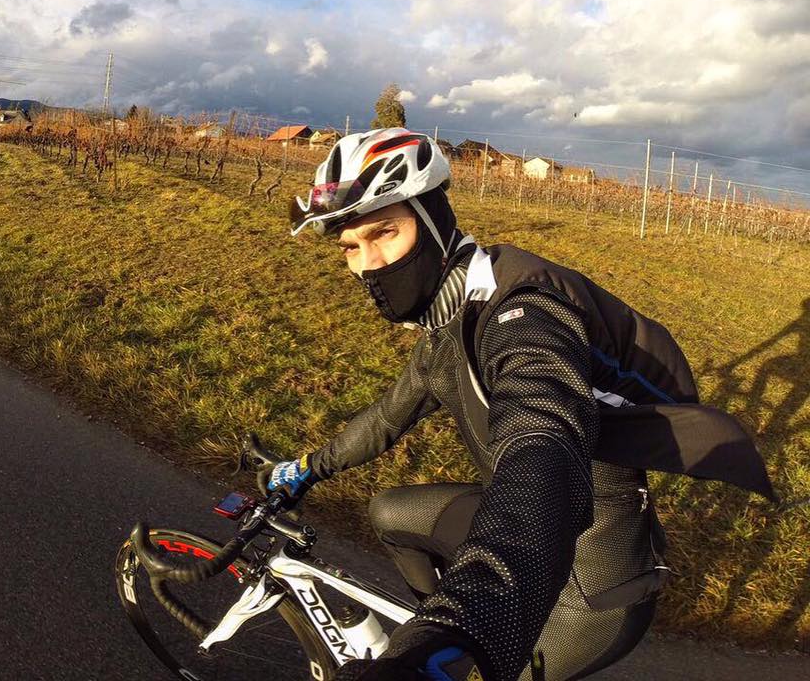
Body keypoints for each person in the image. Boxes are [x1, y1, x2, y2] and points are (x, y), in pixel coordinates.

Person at [269, 128, 773, 681]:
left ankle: (453, 643)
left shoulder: (524, 310)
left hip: (592, 582)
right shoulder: (445, 322)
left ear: (434, 221)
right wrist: (305, 468)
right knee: (389, 512)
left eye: (384, 233)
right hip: (525, 540)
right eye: (350, 247)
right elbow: (389, 417)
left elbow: (542, 445)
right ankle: (438, 629)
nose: (367, 264)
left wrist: (467, 622)